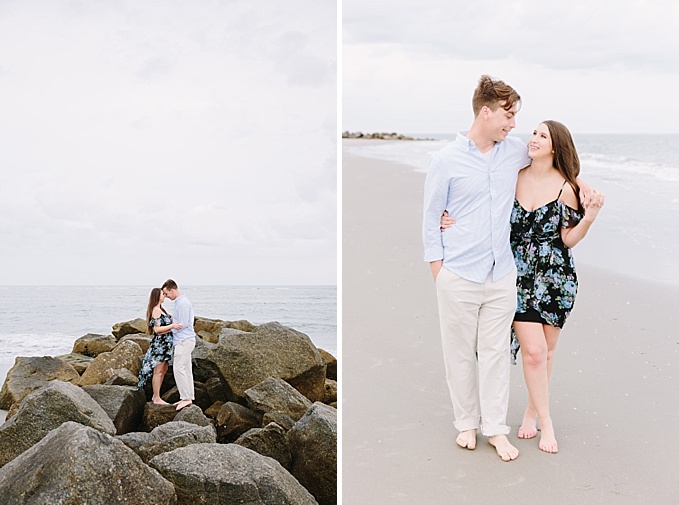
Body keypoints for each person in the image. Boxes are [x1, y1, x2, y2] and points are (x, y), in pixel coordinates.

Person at [441, 120, 605, 454]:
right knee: (534, 352)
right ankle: (548, 421)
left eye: (542, 135)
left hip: (556, 279)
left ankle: (531, 410)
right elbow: (482, 202)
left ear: (556, 146)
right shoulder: (513, 176)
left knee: (547, 350)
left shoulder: (568, 189)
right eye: (533, 132)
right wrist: (451, 218)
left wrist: (589, 218)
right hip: (515, 275)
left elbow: (568, 239)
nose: (532, 138)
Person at [423, 75, 532, 462]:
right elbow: (431, 217)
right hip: (458, 275)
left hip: (501, 274)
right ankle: (466, 423)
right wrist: (439, 271)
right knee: (459, 355)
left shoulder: (515, 151)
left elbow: (555, 158)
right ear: (485, 112)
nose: (513, 123)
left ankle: (497, 430)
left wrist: (581, 183)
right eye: (508, 114)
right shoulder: (445, 160)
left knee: (496, 355)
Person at [137, 287, 183, 404]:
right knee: (158, 371)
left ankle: (156, 396)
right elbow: (157, 329)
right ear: (157, 296)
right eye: (163, 294)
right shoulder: (156, 310)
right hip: (160, 345)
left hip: (166, 344)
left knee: (163, 370)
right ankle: (156, 397)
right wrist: (172, 326)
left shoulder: (161, 309)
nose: (165, 296)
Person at [161, 279, 196, 411]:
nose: (166, 296)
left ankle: (186, 398)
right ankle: (188, 397)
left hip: (184, 340)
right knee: (186, 369)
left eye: (166, 293)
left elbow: (184, 323)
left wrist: (168, 329)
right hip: (185, 339)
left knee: (179, 369)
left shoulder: (182, 303)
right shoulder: (180, 302)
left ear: (172, 290)